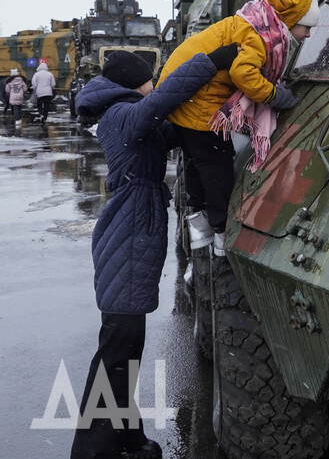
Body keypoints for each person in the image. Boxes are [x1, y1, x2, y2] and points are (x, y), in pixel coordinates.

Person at [70, 45, 239, 459]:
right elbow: (163, 100)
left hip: (131, 227)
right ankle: (93, 452)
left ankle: (129, 440)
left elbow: (170, 127)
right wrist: (208, 62)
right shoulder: (123, 115)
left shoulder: (125, 115)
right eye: (148, 78)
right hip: (128, 232)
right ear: (134, 82)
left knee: (126, 350)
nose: (153, 85)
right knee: (118, 349)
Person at [156, 0, 319, 255]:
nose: (308, 34)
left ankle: (200, 224)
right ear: (292, 20)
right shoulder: (258, 35)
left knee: (199, 161)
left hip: (186, 99)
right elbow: (243, 72)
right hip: (198, 103)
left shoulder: (257, 21)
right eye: (306, 27)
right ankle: (222, 234)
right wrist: (273, 95)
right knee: (218, 165)